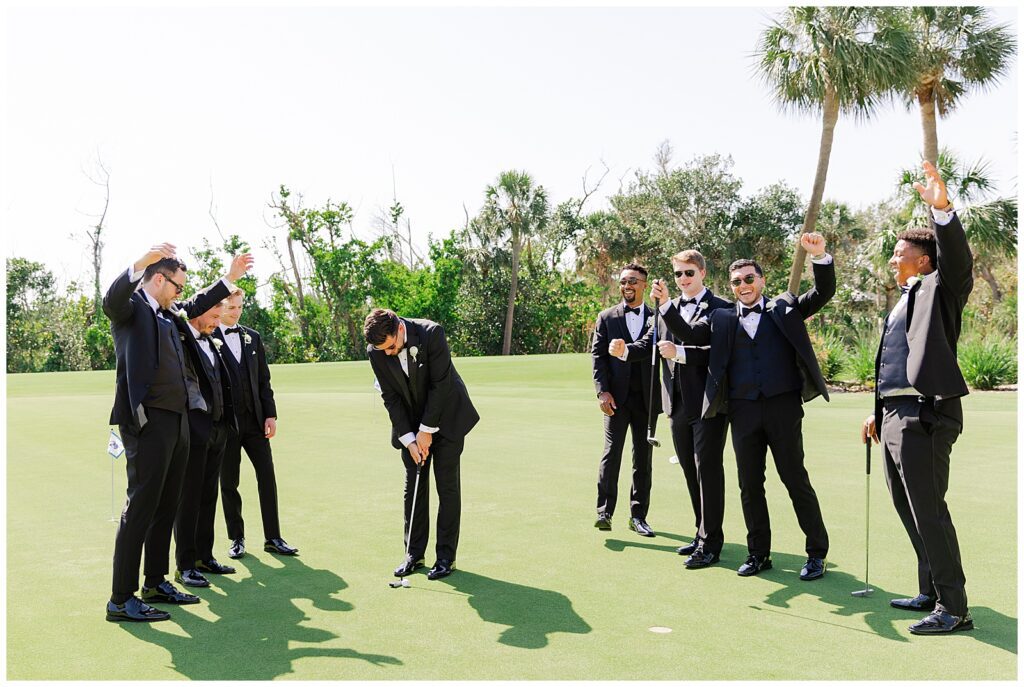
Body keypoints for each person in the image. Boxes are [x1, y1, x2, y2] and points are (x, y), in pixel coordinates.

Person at [661, 233, 834, 580]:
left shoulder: (783, 307)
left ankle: (816, 553)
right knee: (750, 485)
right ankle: (759, 554)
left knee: (794, 479)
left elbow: (822, 293)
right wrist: (666, 305)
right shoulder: (722, 317)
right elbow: (693, 337)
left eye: (749, 279)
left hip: (783, 409)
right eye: (737, 281)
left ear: (762, 280)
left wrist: (820, 258)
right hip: (743, 411)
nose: (743, 286)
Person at [103, 245, 251, 622]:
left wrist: (229, 279)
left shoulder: (171, 316)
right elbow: (111, 299)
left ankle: (155, 582)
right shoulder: (132, 308)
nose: (180, 293)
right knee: (141, 505)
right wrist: (139, 261)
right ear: (157, 278)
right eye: (177, 286)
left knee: (166, 504)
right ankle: (121, 598)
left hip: (177, 420)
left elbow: (203, 300)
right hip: (147, 421)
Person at [861, 160, 974, 635]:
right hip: (893, 414)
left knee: (929, 508)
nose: (892, 257)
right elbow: (891, 361)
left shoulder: (942, 287)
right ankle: (930, 590)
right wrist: (877, 413)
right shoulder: (902, 298)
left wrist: (943, 211)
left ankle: (955, 608)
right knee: (907, 507)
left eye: (899, 251)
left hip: (925, 415)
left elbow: (958, 259)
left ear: (924, 259)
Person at [628, 250, 731, 568]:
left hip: (707, 403)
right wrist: (622, 352)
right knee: (689, 469)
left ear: (702, 273)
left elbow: (704, 346)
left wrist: (680, 351)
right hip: (675, 402)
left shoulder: (721, 309)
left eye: (689, 273)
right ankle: (701, 534)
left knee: (707, 470)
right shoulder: (664, 311)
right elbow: (650, 344)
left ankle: (712, 543)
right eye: (678, 274)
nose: (683, 279)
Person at [364, 308, 479, 581]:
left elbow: (441, 385)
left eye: (391, 346)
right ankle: (413, 554)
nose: (389, 353)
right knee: (414, 485)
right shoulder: (376, 352)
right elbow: (390, 397)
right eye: (383, 350)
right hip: (411, 423)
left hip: (448, 417)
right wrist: (409, 439)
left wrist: (426, 431)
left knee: (447, 485)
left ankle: (445, 558)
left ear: (400, 329)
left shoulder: (432, 333)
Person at [214, 290, 297, 559]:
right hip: (226, 425)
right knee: (229, 482)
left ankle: (273, 537)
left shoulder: (253, 338)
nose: (236, 312)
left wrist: (270, 415)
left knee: (267, 476)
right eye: (230, 307)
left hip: (255, 422)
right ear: (220, 307)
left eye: (239, 307)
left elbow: (264, 381)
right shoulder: (208, 338)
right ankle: (236, 538)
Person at [172, 299, 238, 588]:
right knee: (188, 498)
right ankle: (185, 565)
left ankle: (204, 556)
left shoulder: (212, 341)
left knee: (209, 495)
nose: (217, 322)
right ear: (197, 315)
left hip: (219, 428)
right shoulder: (184, 339)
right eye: (213, 316)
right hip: (194, 430)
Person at [593, 263, 661, 537]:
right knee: (612, 454)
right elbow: (598, 357)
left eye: (633, 281)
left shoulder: (658, 318)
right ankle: (604, 512)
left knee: (642, 459)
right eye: (623, 281)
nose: (627, 286)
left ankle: (638, 516)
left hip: (647, 400)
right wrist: (602, 392)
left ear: (644, 285)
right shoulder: (606, 317)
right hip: (616, 399)